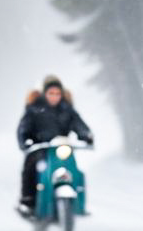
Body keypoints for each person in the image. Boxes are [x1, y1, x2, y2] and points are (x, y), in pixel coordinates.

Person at [16, 75, 93, 215]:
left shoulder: (67, 109)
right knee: (31, 167)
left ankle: (78, 203)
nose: (54, 97)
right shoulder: (34, 109)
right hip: (41, 149)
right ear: (44, 93)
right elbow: (23, 129)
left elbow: (78, 124)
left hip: (63, 148)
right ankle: (28, 202)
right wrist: (27, 142)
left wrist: (86, 136)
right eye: (51, 93)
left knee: (75, 171)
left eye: (57, 93)